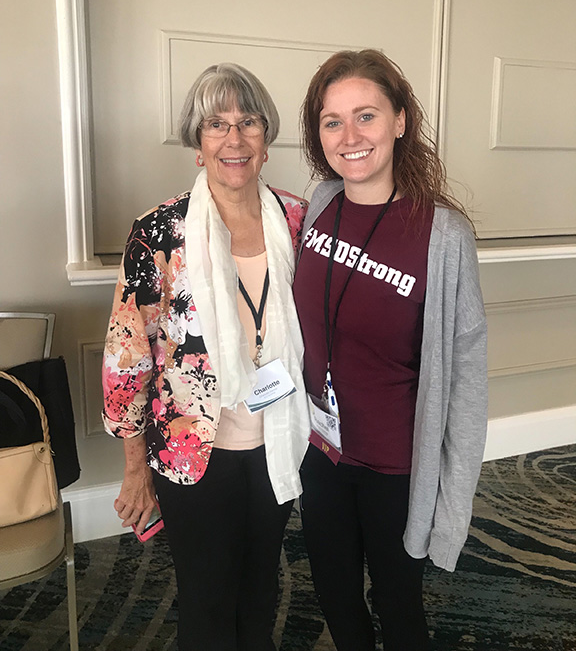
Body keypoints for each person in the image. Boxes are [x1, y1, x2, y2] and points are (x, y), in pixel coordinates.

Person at [102, 63, 310, 651]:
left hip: (276, 439)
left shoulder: (297, 220)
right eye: (216, 125)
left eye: (248, 123)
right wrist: (135, 466)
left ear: (266, 141)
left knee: (261, 591)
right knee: (207, 601)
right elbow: (127, 358)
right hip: (196, 453)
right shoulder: (158, 233)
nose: (234, 139)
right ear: (198, 145)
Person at [293, 49, 488, 651]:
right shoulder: (320, 203)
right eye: (332, 121)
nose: (349, 136)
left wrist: (452, 500)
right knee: (334, 591)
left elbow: (465, 378)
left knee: (399, 604)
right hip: (320, 449)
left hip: (395, 466)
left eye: (367, 116)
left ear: (400, 121)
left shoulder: (442, 234)